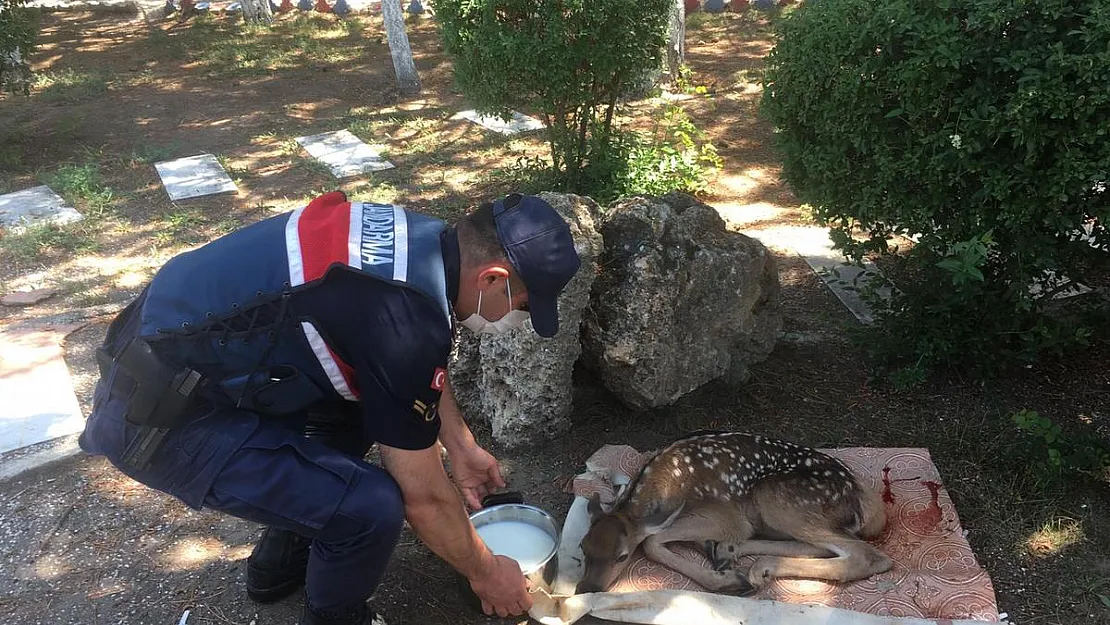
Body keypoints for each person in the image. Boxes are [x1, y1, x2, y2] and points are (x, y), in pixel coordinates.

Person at [78, 191, 582, 625]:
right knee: (371, 507)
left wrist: (461, 446)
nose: (514, 319)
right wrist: (488, 572)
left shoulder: (422, 242)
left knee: (357, 407)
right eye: (520, 307)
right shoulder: (406, 320)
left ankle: (280, 563)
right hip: (160, 421)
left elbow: (402, 368)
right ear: (493, 279)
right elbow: (425, 498)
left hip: (169, 357)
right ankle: (334, 616)